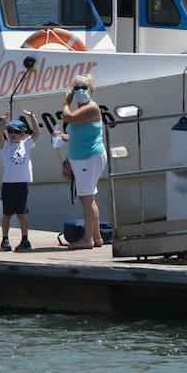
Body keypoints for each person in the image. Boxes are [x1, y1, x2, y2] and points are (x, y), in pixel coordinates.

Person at [59, 73, 107, 249]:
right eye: (76, 88)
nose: (79, 91)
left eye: (83, 88)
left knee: (86, 198)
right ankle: (97, 237)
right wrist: (61, 137)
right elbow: (75, 134)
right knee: (89, 199)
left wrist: (66, 103)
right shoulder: (80, 111)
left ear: (91, 91)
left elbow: (68, 117)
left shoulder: (92, 108)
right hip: (81, 158)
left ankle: (87, 239)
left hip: (88, 158)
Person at [0, 110, 39, 251]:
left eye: (15, 132)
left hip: (22, 184)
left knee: (21, 213)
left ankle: (25, 240)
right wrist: (3, 125)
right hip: (8, 184)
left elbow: (36, 134)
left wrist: (32, 117)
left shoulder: (26, 144)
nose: (12, 135)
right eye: (10, 132)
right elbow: (0, 138)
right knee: (7, 214)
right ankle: (5, 240)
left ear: (22, 134)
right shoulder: (6, 146)